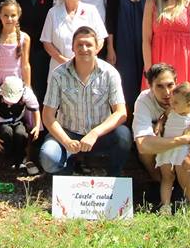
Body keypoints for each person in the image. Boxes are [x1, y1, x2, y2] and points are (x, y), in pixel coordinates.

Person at [39, 26, 131, 176]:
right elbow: (48, 116)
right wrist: (66, 141)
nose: (84, 48)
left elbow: (121, 113)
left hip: (99, 136)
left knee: (123, 136)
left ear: (97, 48)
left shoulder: (110, 74)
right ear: (73, 48)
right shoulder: (58, 75)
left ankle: (113, 174)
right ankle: (69, 169)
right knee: (49, 157)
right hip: (68, 134)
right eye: (79, 45)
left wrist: (95, 133)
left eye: (89, 45)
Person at [132, 64, 190, 207]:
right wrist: (181, 140)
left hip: (185, 156)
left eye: (170, 85)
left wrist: (189, 150)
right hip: (164, 156)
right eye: (160, 86)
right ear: (150, 86)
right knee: (145, 151)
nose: (167, 92)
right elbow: (143, 145)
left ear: (176, 83)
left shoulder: (186, 98)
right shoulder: (144, 101)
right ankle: (161, 184)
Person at [0, 0, 34, 180]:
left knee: (28, 120)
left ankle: (27, 158)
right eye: (5, 15)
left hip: (18, 83)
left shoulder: (24, 38)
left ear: (18, 16)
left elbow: (25, 64)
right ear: (0, 16)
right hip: (0, 83)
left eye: (13, 15)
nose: (9, 19)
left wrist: (28, 86)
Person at [105, 0, 148, 108]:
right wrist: (110, 48)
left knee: (146, 82)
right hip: (123, 45)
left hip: (145, 44)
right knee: (126, 83)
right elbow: (109, 21)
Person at [156, 82, 190, 213]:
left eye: (176, 102)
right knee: (167, 178)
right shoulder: (171, 110)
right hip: (167, 147)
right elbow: (163, 116)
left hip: (183, 151)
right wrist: (159, 123)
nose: (172, 103)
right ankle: (165, 205)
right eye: (172, 100)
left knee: (184, 178)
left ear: (189, 105)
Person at [12, 0, 55, 104]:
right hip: (21, 43)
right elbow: (12, 16)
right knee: (22, 81)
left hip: (44, 45)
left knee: (41, 83)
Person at [41, 0, 108, 71]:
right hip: (59, 68)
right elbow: (46, 42)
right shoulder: (53, 12)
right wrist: (65, 62)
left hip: (87, 66)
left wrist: (87, 57)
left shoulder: (91, 10)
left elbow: (100, 39)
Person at [0, 76, 41, 178]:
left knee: (21, 134)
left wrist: (37, 126)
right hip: (0, 122)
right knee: (7, 133)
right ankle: (8, 159)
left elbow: (35, 110)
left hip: (18, 120)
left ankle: (23, 160)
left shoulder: (27, 94)